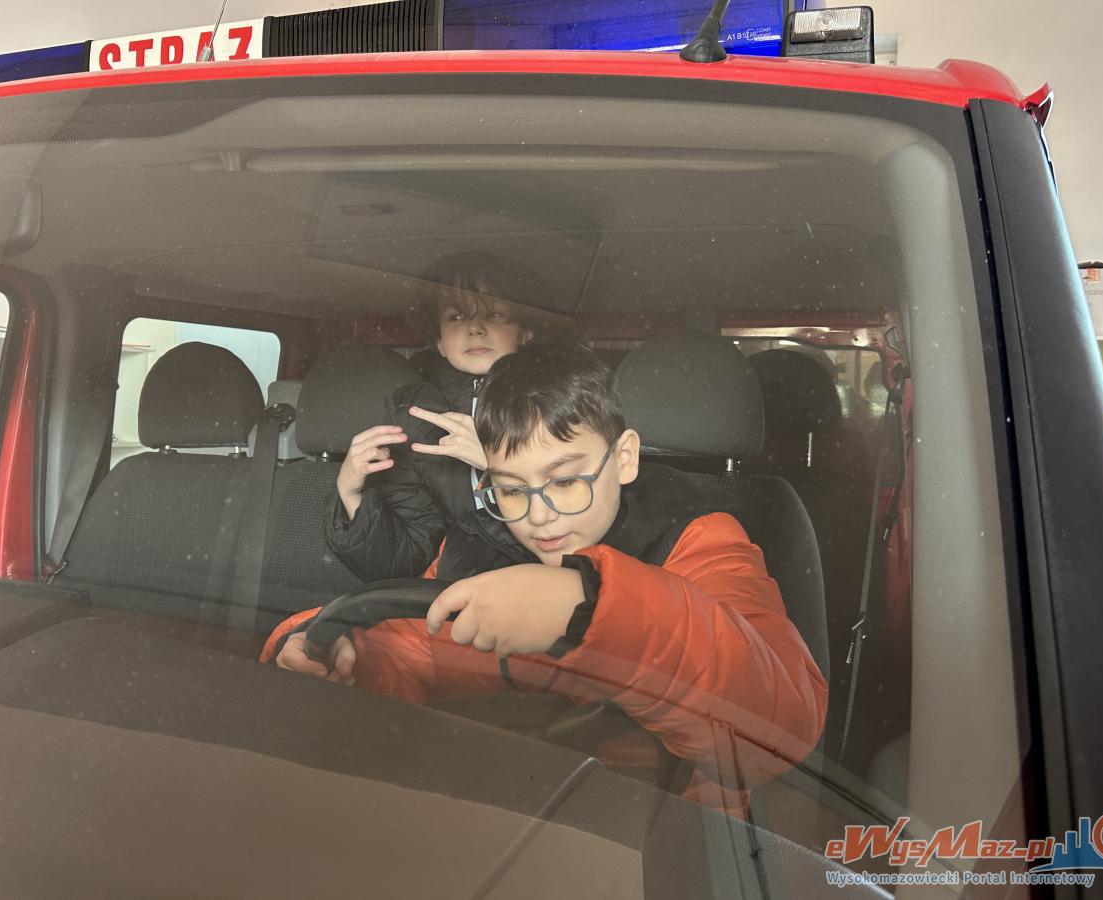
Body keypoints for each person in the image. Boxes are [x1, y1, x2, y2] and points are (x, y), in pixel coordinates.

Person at [267, 339, 827, 816]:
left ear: (624, 459)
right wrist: (338, 654)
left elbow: (778, 729)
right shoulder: (481, 540)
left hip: (656, 834)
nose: (538, 517)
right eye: (511, 488)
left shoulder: (699, 540)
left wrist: (593, 609)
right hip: (492, 815)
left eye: (564, 482)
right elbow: (412, 650)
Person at [326, 252, 541, 580]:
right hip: (446, 597)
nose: (475, 328)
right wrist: (350, 494)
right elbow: (403, 563)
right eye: (457, 316)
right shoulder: (415, 416)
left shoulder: (558, 404)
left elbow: (576, 540)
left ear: (526, 332)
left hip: (536, 591)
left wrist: (499, 466)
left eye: (495, 314)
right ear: (439, 341)